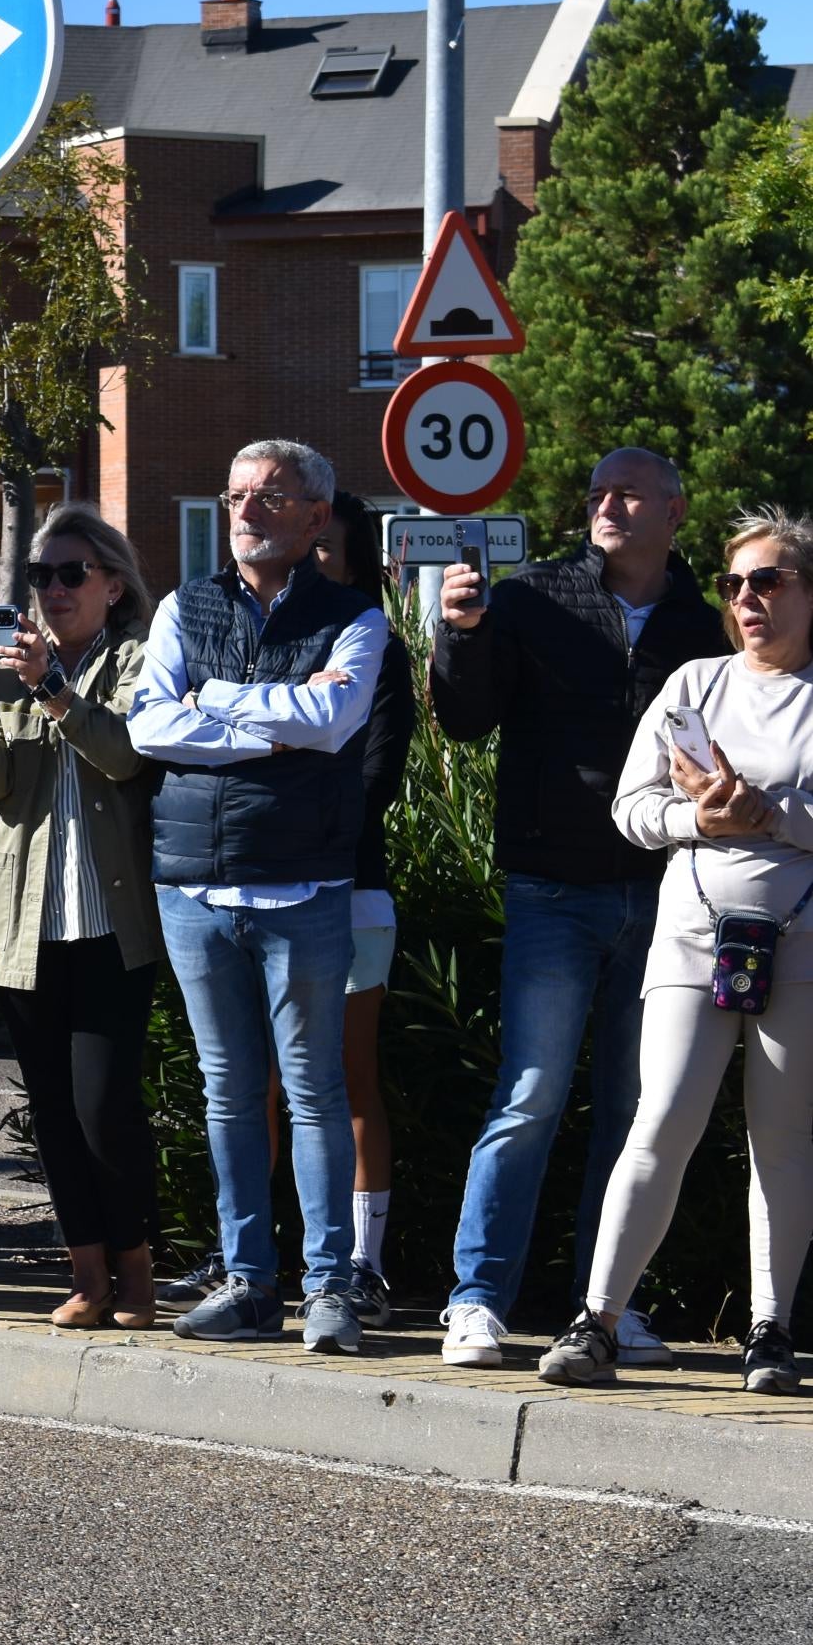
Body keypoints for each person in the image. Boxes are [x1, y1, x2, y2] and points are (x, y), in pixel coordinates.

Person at [430, 448, 720, 1372]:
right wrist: (459, 633)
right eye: (598, 493)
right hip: (552, 887)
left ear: (674, 511)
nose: (606, 505)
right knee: (530, 1097)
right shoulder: (533, 597)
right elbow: (464, 719)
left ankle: (607, 1310)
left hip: (667, 894)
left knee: (635, 1112)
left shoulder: (707, 625)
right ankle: (476, 1302)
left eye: (627, 493)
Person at [543, 510, 813, 1396]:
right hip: (695, 937)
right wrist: (699, 816)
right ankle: (597, 1322)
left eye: (769, 581)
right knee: (659, 1122)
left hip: (801, 946)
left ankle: (770, 1332)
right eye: (735, 584)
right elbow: (632, 809)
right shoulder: (695, 684)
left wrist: (770, 814)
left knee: (781, 1138)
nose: (747, 599)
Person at [128, 439, 386, 1354]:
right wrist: (270, 722)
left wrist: (214, 700)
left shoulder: (356, 618)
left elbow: (334, 719)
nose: (245, 510)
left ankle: (330, 1288)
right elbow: (149, 725)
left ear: (316, 516)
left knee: (313, 1091)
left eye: (269, 497)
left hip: (304, 885)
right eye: (235, 493)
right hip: (195, 885)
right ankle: (248, 1283)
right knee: (231, 1093)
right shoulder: (183, 606)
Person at [0, 506, 162, 1329]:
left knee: (104, 1106)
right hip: (26, 923)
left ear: (112, 585)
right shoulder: (2, 670)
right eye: (42, 576)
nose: (55, 590)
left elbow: (126, 756)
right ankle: (88, 1275)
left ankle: (137, 1271)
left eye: (72, 574)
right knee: (53, 1112)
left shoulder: (138, 658)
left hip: (112, 922)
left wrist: (53, 689)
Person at [309, 493, 415, 1324]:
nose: (306, 559)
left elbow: (376, 778)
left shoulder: (384, 653)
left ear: (356, 563)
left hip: (352, 890)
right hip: (263, 887)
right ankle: (249, 1261)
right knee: (260, 1082)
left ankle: (362, 1266)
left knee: (351, 1078)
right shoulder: (263, 636)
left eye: (323, 548)